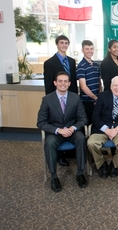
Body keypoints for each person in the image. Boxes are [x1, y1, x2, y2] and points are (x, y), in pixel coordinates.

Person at [37, 71, 88, 192]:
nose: (63, 84)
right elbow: (41, 123)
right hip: (56, 133)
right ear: (55, 83)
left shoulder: (75, 98)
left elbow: (83, 119)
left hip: (72, 131)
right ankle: (54, 176)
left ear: (69, 83)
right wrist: (58, 130)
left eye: (65, 81)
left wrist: (73, 128)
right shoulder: (47, 100)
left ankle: (80, 173)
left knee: (81, 139)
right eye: (60, 81)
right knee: (49, 144)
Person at [87, 76, 118, 178]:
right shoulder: (102, 96)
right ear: (110, 86)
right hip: (102, 129)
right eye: (115, 85)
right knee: (91, 143)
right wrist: (107, 130)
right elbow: (95, 117)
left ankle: (114, 164)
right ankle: (102, 164)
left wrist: (117, 129)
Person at [43, 35, 78, 167]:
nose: (64, 45)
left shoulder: (71, 61)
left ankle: (70, 152)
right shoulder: (49, 63)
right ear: (57, 44)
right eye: (61, 43)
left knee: (70, 122)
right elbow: (49, 86)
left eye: (66, 43)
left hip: (71, 97)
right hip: (57, 99)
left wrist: (76, 97)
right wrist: (52, 102)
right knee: (58, 124)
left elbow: (72, 81)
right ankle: (59, 156)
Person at [76, 40, 101, 124]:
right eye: (87, 49)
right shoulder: (81, 66)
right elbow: (83, 86)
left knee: (97, 123)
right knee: (88, 123)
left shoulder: (96, 65)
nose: (90, 51)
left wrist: (99, 97)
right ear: (82, 50)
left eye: (91, 49)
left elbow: (99, 82)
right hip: (87, 102)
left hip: (97, 100)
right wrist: (95, 98)